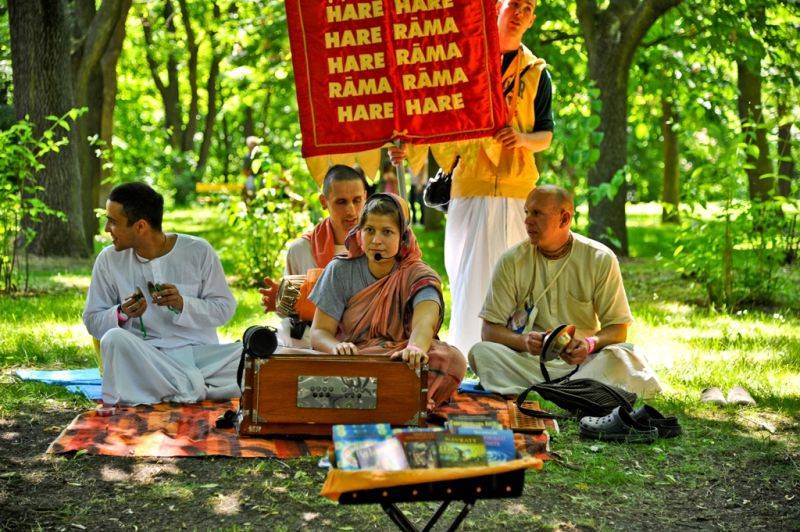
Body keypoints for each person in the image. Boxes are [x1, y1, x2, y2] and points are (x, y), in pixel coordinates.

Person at [390, 0, 554, 357]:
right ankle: (465, 355)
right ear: (495, 8)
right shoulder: (464, 63)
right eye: (514, 5)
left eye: (528, 8)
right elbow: (431, 119)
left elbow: (545, 134)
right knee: (468, 276)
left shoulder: (538, 72)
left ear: (533, 19)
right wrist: (406, 146)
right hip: (470, 186)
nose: (520, 14)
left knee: (513, 281)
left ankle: (511, 358)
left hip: (516, 191)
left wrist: (522, 139)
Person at [468, 186, 662, 397]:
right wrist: (523, 342)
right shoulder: (511, 261)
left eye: (537, 213)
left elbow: (618, 329)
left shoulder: (599, 258)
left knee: (625, 356)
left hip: (585, 362)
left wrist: (589, 344)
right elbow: (489, 331)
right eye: (526, 212)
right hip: (530, 361)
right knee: (481, 353)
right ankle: (576, 393)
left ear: (564, 219)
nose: (527, 221)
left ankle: (541, 391)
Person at [83, 182, 241, 406]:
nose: (107, 229)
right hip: (147, 358)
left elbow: (225, 310)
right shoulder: (109, 260)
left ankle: (170, 388)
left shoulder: (198, 251)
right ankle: (196, 387)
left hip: (200, 356)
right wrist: (122, 313)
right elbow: (92, 320)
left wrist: (183, 304)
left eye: (113, 222)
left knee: (250, 356)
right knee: (113, 340)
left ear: (140, 227)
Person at [308, 193, 467, 409]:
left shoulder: (418, 274)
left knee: (452, 360)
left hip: (402, 359)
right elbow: (319, 332)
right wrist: (338, 348)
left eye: (387, 232)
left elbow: (425, 320)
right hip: (355, 358)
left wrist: (415, 348)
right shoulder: (339, 270)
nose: (376, 240)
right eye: (370, 230)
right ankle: (404, 400)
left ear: (402, 237)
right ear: (359, 233)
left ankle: (372, 399)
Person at [259, 165, 368, 347]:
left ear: (366, 197)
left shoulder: (376, 249)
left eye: (357, 200)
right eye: (341, 202)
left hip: (362, 345)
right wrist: (281, 300)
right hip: (308, 346)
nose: (351, 210)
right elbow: (288, 308)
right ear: (324, 202)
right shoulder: (301, 250)